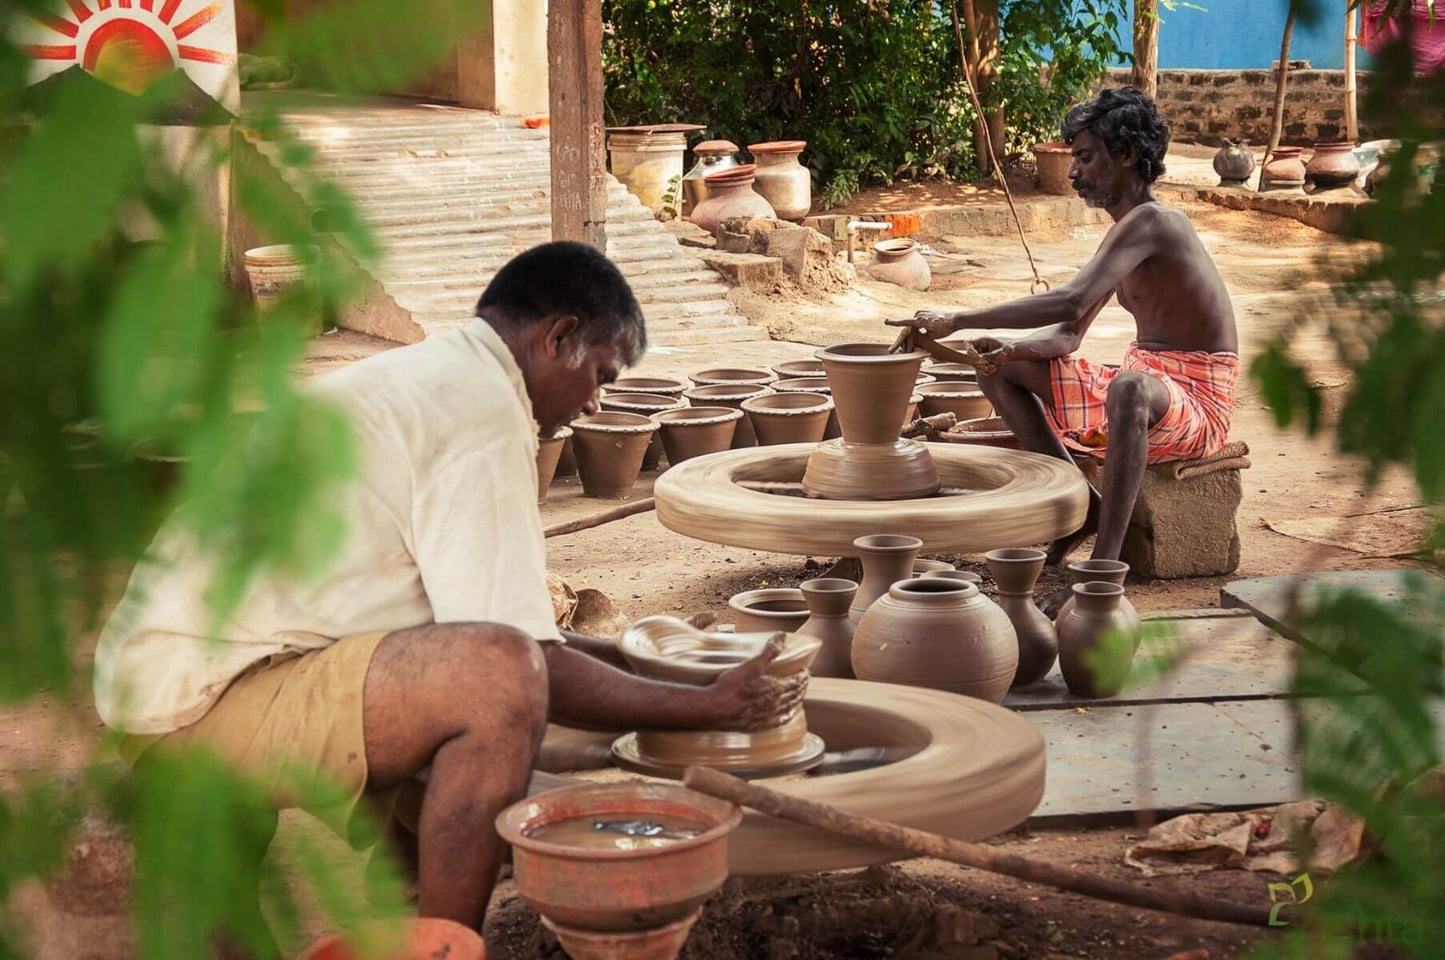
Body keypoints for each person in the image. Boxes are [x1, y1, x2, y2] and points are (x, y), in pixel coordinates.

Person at [94, 241, 804, 944]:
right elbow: (525, 661)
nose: (594, 402)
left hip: (186, 679)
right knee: (493, 681)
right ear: (557, 338)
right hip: (197, 710)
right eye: (600, 375)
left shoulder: (436, 378)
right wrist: (706, 707)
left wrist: (658, 670)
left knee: (476, 671)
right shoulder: (478, 410)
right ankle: (445, 945)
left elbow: (531, 639)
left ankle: (404, 914)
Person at [892, 87, 1239, 582]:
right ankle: (1086, 505)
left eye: (1085, 157)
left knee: (1128, 387)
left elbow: (1072, 300)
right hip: (1151, 382)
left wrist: (961, 317)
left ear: (1126, 154)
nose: (1073, 171)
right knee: (999, 372)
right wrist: (1007, 350)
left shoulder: (1157, 223)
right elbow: (1068, 334)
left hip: (1198, 401)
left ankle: (1105, 567)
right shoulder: (1127, 230)